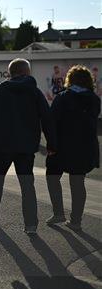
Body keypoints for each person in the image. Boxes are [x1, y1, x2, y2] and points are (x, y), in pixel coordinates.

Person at [0, 58, 56, 235]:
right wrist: (51, 143)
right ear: (27, 72)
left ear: (10, 73)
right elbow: (47, 119)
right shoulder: (34, 92)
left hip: (1, 145)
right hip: (26, 146)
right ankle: (31, 224)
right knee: (27, 185)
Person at [45, 65, 100, 231]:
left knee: (52, 177)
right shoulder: (94, 99)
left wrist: (51, 145)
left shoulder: (62, 97)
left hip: (61, 147)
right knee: (77, 183)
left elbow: (51, 123)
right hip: (84, 147)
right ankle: (76, 221)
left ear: (70, 79)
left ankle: (58, 213)